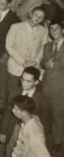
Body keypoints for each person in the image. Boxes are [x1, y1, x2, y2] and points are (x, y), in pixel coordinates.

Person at [0, 67, 52, 157]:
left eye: (28, 81)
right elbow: (7, 113)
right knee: (10, 150)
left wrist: (35, 138)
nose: (24, 83)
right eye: (22, 80)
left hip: (29, 131)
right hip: (13, 127)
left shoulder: (43, 99)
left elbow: (46, 123)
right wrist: (3, 131)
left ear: (36, 82)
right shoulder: (13, 91)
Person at [6, 6, 48, 89]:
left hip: (33, 68)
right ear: (30, 14)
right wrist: (22, 61)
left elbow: (44, 48)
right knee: (14, 92)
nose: (38, 18)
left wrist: (35, 61)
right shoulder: (15, 27)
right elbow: (9, 46)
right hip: (16, 66)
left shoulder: (44, 30)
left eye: (41, 17)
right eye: (36, 15)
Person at [41, 20, 64, 153]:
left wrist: (53, 65)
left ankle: (59, 141)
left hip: (61, 87)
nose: (54, 31)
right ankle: (54, 139)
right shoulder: (47, 46)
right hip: (48, 87)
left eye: (57, 28)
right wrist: (45, 64)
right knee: (49, 114)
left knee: (59, 116)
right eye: (52, 29)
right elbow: (44, 63)